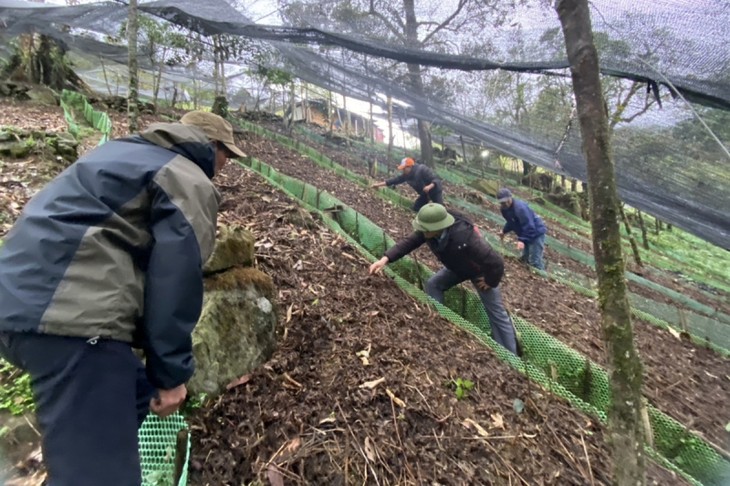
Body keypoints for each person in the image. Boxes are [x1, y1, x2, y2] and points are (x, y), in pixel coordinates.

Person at [0, 111, 246, 485]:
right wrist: (171, 374)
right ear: (210, 146)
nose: (226, 165)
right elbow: (175, 276)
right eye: (227, 153)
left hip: (19, 301)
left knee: (134, 390)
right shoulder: (186, 176)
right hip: (73, 316)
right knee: (102, 478)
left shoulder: (121, 153)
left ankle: (85, 455)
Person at [369, 203, 519, 355]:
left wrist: (490, 281)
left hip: (479, 271)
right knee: (433, 284)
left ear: (437, 227)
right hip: (457, 267)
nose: (420, 230)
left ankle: (510, 355)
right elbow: (408, 243)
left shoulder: (465, 237)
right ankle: (439, 321)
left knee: (496, 312)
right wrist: (385, 259)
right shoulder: (427, 231)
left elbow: (496, 262)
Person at [497, 188, 547, 271]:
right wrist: (504, 231)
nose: (506, 203)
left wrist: (522, 240)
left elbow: (529, 226)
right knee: (524, 259)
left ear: (511, 197)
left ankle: (542, 276)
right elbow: (511, 222)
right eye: (502, 202)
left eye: (507, 201)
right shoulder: (504, 209)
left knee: (535, 261)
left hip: (536, 232)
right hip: (525, 232)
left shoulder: (520, 208)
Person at [371, 157, 443, 211]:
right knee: (416, 207)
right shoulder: (406, 175)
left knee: (440, 210)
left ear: (410, 167)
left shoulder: (422, 169)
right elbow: (394, 180)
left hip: (435, 190)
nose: (403, 170)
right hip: (424, 194)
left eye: (404, 168)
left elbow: (436, 180)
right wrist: (377, 185)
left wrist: (429, 186)